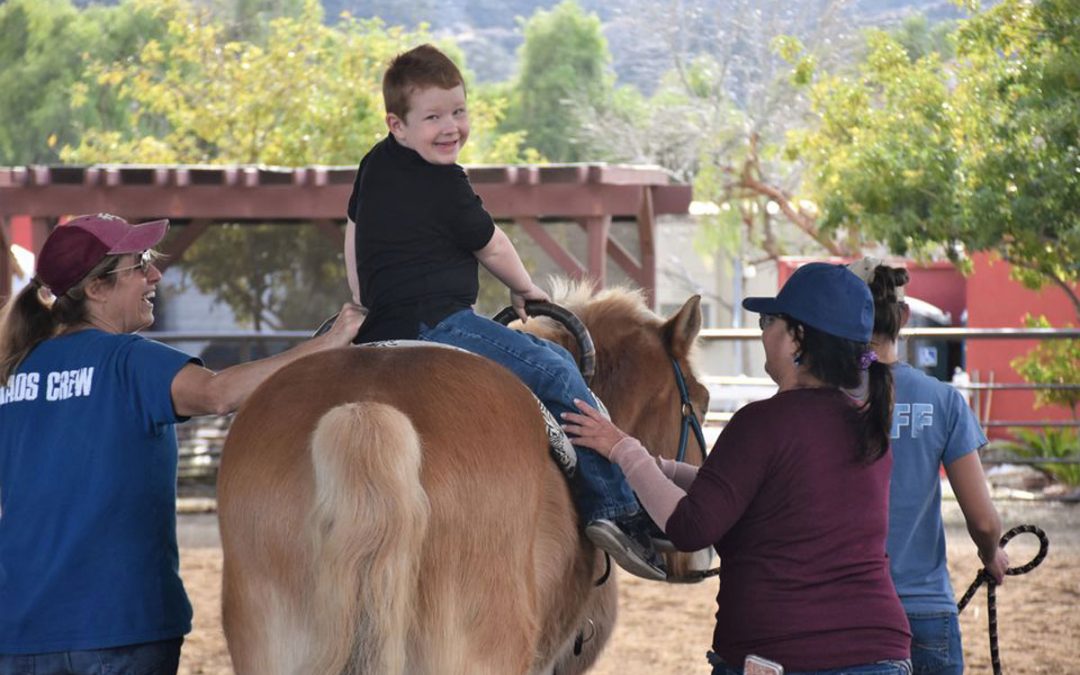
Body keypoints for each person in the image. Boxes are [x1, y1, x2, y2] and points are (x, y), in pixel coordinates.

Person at [342, 43, 665, 581]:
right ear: (397, 125)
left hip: (379, 329)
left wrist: (361, 302)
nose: (451, 128)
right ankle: (616, 510)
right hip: (439, 324)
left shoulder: (375, 164)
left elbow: (354, 234)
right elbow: (491, 246)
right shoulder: (446, 182)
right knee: (556, 369)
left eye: (458, 112)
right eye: (433, 118)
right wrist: (526, 291)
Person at [0, 214, 364, 673]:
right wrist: (330, 342)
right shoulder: (128, 361)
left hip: (17, 628)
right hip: (120, 624)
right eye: (140, 264)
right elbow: (218, 394)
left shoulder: (15, 372)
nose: (155, 275)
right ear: (96, 289)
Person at [561, 262, 913, 674]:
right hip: (881, 652)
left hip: (787, 657)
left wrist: (622, 449)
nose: (763, 332)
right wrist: (660, 467)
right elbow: (767, 496)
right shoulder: (867, 427)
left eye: (769, 321)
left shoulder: (764, 422)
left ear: (797, 336)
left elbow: (692, 526)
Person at [848, 257, 1008, 675]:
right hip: (924, 611)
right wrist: (991, 555)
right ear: (902, 315)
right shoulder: (943, 401)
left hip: (846, 613)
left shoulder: (823, 403)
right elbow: (984, 521)